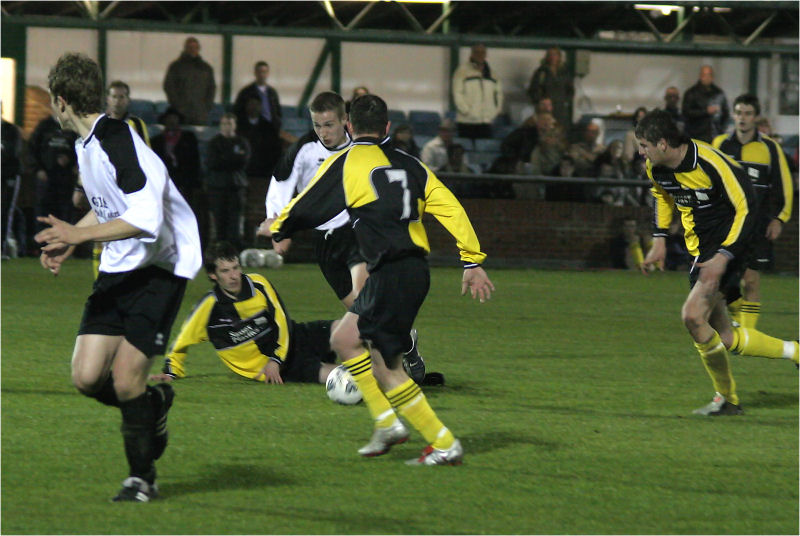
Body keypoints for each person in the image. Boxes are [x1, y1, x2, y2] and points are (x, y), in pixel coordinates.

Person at [264, 94, 495, 465]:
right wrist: (471, 261)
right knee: (344, 338)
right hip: (413, 270)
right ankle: (388, 424)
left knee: (386, 369)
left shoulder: (347, 161)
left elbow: (309, 202)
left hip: (390, 272)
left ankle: (443, 442)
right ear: (387, 128)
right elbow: (451, 207)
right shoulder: (413, 165)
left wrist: (278, 226)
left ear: (350, 127)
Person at [35, 52, 201, 501]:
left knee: (127, 378)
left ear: (62, 101)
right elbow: (113, 204)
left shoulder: (116, 141)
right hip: (119, 268)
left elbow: (145, 217)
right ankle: (153, 407)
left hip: (159, 269)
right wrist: (75, 238)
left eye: (53, 100)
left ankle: (141, 478)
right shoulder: (87, 144)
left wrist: (78, 233)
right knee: (87, 378)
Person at [636, 110, 798, 416]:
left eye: (643, 145)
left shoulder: (710, 161)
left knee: (692, 316)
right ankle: (795, 351)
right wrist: (659, 239)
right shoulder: (655, 167)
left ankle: (727, 399)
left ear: (662, 143)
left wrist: (724, 256)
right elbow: (662, 196)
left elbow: (747, 208)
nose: (640, 152)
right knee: (724, 337)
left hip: (733, 246)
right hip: (702, 253)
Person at [258, 91, 426, 382]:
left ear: (346, 122)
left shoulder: (361, 149)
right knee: (360, 314)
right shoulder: (304, 150)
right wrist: (278, 227)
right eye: (317, 125)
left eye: (329, 125)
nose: (323, 132)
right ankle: (404, 342)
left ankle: (391, 374)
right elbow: (281, 183)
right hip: (325, 242)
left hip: (356, 232)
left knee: (365, 298)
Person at [151, 242, 339, 385]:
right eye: (225, 271)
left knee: (350, 329)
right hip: (277, 367)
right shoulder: (209, 307)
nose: (233, 276)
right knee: (339, 376)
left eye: (236, 268)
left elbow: (282, 321)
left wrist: (276, 358)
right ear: (213, 275)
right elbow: (181, 341)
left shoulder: (258, 284)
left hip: (293, 338)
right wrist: (170, 372)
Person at [711, 94, 794, 329]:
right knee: (719, 279)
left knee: (751, 281)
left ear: (756, 117)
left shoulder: (769, 148)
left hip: (757, 225)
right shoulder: (720, 145)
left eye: (747, 113)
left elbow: (784, 187)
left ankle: (748, 334)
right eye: (738, 113)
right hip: (726, 225)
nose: (742, 118)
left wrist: (779, 219)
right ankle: (738, 318)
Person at [81, 80, 153, 278]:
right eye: (114, 96)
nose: (118, 101)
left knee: (128, 235)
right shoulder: (98, 125)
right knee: (101, 235)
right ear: (107, 99)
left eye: (122, 97)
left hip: (127, 190)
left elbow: (146, 155)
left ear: (128, 100)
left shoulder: (136, 124)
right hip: (105, 189)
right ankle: (100, 281)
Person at [151, 107, 206, 248]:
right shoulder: (156, 141)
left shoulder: (189, 138)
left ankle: (188, 245)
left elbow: (195, 162)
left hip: (186, 185)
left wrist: (195, 183)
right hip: (164, 186)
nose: (172, 122)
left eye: (174, 119)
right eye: (169, 119)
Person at [29, 112, 79, 233]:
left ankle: (62, 243)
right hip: (46, 178)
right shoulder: (43, 126)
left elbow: (80, 148)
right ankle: (42, 243)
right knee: (43, 212)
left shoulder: (72, 127)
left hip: (66, 178)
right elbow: (32, 148)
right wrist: (38, 169)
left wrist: (72, 162)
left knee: (64, 212)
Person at [206, 113, 251, 248]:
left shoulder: (242, 142)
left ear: (235, 125)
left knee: (235, 220)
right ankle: (220, 249)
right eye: (224, 124)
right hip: (217, 186)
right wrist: (232, 158)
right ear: (220, 125)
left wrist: (225, 159)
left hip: (236, 186)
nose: (227, 127)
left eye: (230, 124)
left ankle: (234, 250)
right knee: (219, 220)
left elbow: (243, 162)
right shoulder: (214, 143)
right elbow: (212, 162)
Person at [452, 43, 503, 140]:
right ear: (472, 54)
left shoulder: (492, 74)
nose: (480, 55)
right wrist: (466, 111)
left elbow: (499, 94)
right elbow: (457, 93)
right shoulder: (462, 71)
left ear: (486, 54)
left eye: (482, 52)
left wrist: (495, 111)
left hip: (486, 121)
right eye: (477, 52)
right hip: (466, 121)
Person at [163, 36, 216, 125]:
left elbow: (211, 88)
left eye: (195, 47)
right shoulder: (176, 67)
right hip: (180, 113)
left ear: (199, 49)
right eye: (190, 47)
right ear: (185, 48)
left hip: (200, 113)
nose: (193, 50)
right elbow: (169, 86)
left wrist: (206, 106)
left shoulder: (206, 68)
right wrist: (177, 105)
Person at [527, 47, 574, 131]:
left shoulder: (565, 72)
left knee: (560, 130)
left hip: (561, 109)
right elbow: (533, 90)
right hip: (545, 110)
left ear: (559, 57)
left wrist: (565, 100)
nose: (552, 57)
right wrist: (541, 101)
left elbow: (570, 89)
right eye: (550, 54)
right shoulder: (541, 72)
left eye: (555, 54)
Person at [237, 95, 282, 179]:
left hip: (263, 172)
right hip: (242, 172)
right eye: (251, 104)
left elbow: (275, 150)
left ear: (261, 106)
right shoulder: (238, 126)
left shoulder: (269, 127)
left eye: (256, 104)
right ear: (246, 106)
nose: (254, 107)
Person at [682, 65, 729, 143]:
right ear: (700, 76)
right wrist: (705, 111)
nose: (707, 77)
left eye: (709, 75)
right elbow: (686, 113)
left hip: (715, 136)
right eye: (704, 75)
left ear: (713, 77)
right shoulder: (691, 93)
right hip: (696, 136)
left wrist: (721, 130)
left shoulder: (719, 93)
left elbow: (725, 113)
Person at [232, 61, 282, 133]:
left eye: (264, 72)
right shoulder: (246, 92)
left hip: (270, 129)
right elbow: (238, 111)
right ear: (255, 73)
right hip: (251, 130)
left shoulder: (272, 93)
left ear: (268, 73)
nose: (262, 74)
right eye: (259, 72)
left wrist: (277, 124)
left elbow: (278, 112)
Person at [2, 116, 23, 257]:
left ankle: (2, 247)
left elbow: (13, 153)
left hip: (7, 176)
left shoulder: (11, 131)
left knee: (4, 212)